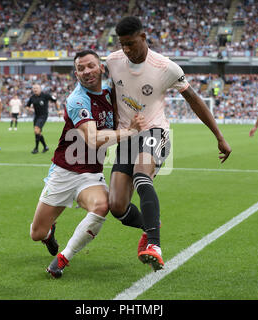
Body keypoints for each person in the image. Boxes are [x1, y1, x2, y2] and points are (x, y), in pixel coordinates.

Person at [105, 16, 232, 271]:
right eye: (122, 44)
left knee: (142, 176)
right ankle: (151, 224)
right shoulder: (112, 60)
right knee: (117, 206)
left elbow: (194, 100)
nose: (126, 50)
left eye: (130, 43)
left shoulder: (166, 67)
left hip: (155, 132)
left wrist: (218, 136)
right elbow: (112, 94)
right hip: (127, 137)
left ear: (143, 37)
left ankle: (154, 244)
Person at [29, 50, 144, 279]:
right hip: (63, 171)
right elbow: (92, 139)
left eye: (91, 66)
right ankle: (49, 233)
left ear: (101, 68)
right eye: (81, 69)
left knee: (102, 206)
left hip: (91, 175)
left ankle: (62, 259)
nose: (87, 71)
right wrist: (129, 131)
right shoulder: (76, 99)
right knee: (36, 232)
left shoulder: (113, 93)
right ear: (76, 74)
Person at [25, 84, 59, 154]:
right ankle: (45, 147)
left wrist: (58, 110)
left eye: (36, 88)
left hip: (43, 115)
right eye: (34, 88)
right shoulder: (32, 97)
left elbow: (55, 100)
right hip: (36, 116)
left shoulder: (45, 95)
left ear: (40, 89)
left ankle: (36, 148)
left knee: (36, 129)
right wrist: (30, 109)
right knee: (37, 132)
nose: (35, 90)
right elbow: (27, 106)